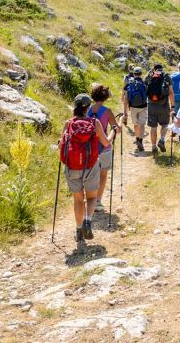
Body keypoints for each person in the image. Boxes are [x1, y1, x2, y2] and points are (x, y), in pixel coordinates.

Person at [59, 93, 111, 246]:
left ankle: (79, 230)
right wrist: (114, 132)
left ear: (75, 107)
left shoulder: (68, 123)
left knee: (78, 199)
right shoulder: (94, 123)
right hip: (90, 165)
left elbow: (61, 143)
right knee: (91, 197)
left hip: (72, 165)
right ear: (88, 107)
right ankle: (88, 220)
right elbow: (105, 142)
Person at [87, 83, 119, 212]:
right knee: (103, 174)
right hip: (104, 147)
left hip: (88, 147)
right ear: (106, 97)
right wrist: (120, 122)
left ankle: (88, 198)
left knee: (89, 174)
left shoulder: (87, 109)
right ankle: (98, 201)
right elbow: (117, 128)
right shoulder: (107, 111)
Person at [145, 63, 174, 154]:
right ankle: (161, 140)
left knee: (153, 127)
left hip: (151, 106)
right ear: (162, 69)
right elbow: (171, 93)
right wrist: (172, 107)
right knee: (165, 124)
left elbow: (144, 88)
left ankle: (153, 147)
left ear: (154, 69)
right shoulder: (166, 77)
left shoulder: (149, 77)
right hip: (163, 105)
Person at [124, 67, 149, 153]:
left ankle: (137, 138)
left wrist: (125, 111)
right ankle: (140, 141)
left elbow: (126, 98)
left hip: (133, 107)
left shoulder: (129, 83)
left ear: (133, 74)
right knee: (142, 124)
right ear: (141, 74)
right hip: (143, 106)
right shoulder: (144, 83)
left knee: (135, 124)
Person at [121, 63, 136, 129]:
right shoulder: (137, 76)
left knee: (125, 108)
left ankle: (125, 119)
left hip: (127, 93)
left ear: (128, 69)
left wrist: (122, 95)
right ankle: (135, 121)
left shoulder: (126, 77)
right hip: (134, 94)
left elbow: (124, 87)